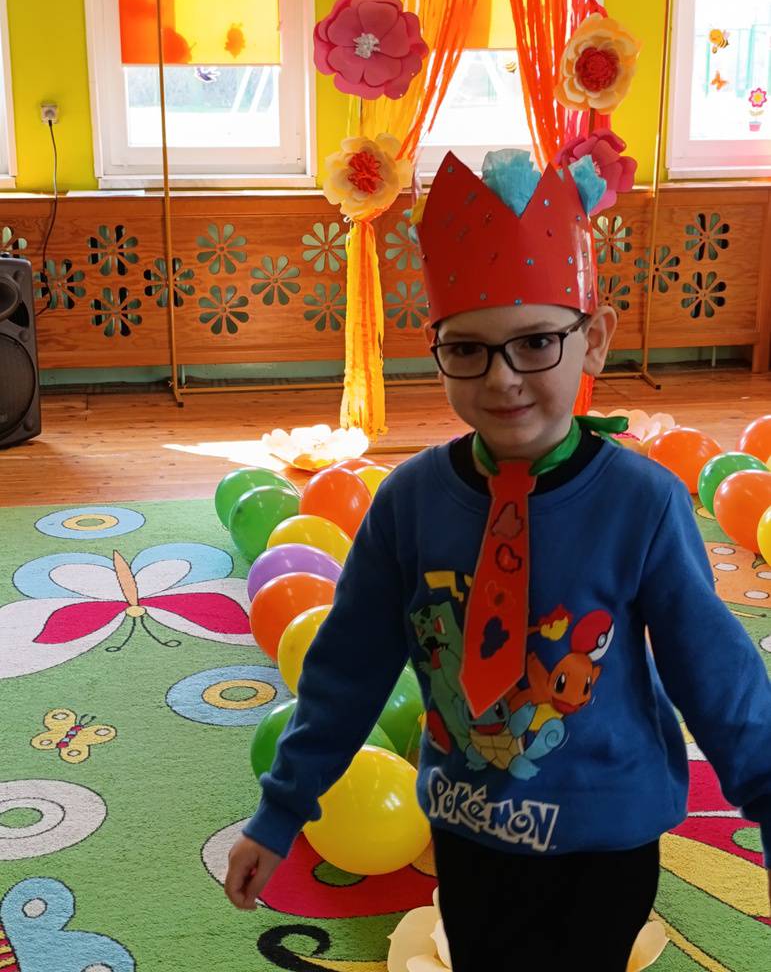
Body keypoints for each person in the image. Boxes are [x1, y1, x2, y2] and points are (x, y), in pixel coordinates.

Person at [224, 147, 771, 970]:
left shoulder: (643, 503)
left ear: (593, 342)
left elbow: (714, 670)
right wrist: (281, 810)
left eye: (536, 342)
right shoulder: (408, 501)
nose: (503, 377)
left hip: (605, 836)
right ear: (435, 348)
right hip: (469, 827)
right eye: (468, 349)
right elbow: (345, 668)